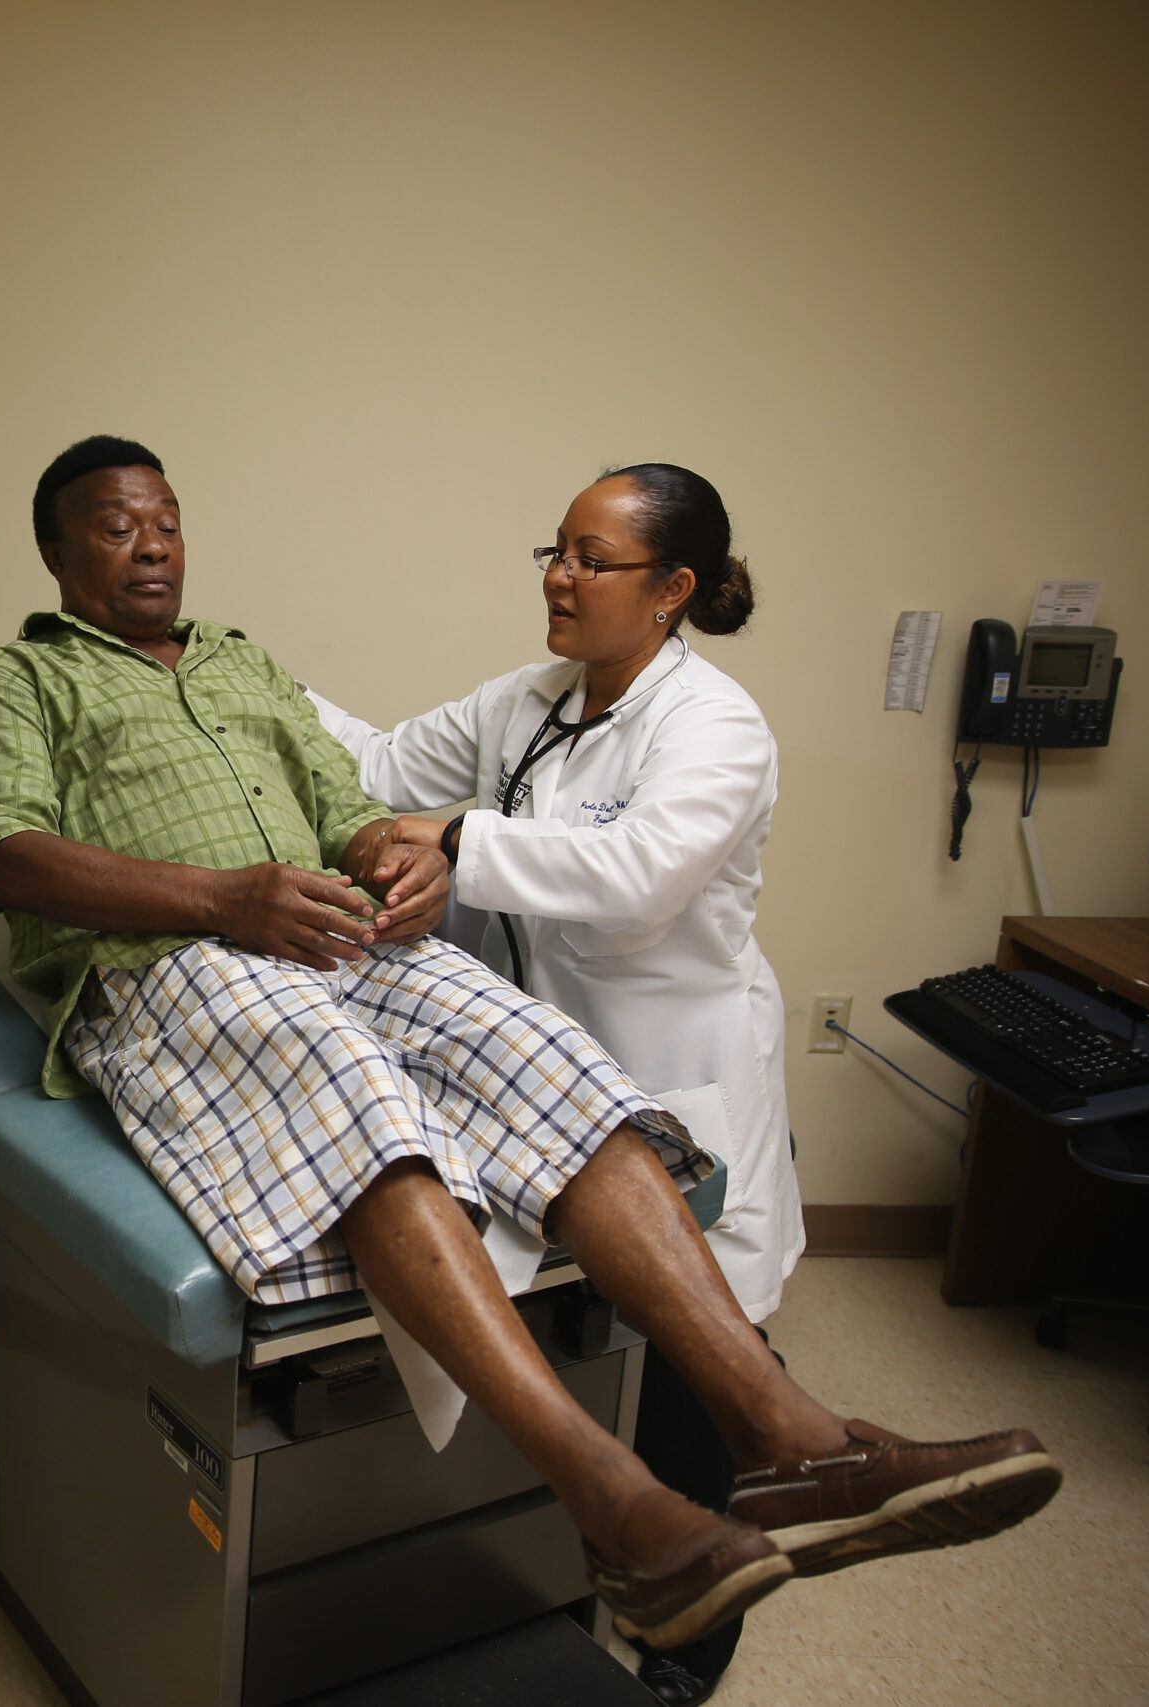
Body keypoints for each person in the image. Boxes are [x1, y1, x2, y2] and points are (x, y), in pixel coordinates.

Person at [0, 434, 1059, 1654]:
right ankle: (613, 1501)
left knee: (555, 1063)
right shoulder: (18, 682)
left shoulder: (248, 664)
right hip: (182, 961)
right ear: (54, 550)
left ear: (671, 588)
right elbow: (7, 861)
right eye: (117, 528)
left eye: (166, 523)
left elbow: (359, 804)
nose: (152, 547)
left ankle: (791, 1437)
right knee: (364, 1102)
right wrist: (230, 896)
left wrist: (401, 862)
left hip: (363, 944)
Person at [303, 463, 799, 1704]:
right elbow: (380, 761)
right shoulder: (528, 699)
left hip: (675, 1065)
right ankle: (597, 1557)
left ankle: (688, 1655)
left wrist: (454, 837)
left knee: (696, 1362)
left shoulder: (715, 726)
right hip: (547, 1064)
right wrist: (253, 684)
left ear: (671, 589)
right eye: (555, 552)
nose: (559, 579)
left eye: (591, 559)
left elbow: (636, 875)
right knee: (589, 1338)